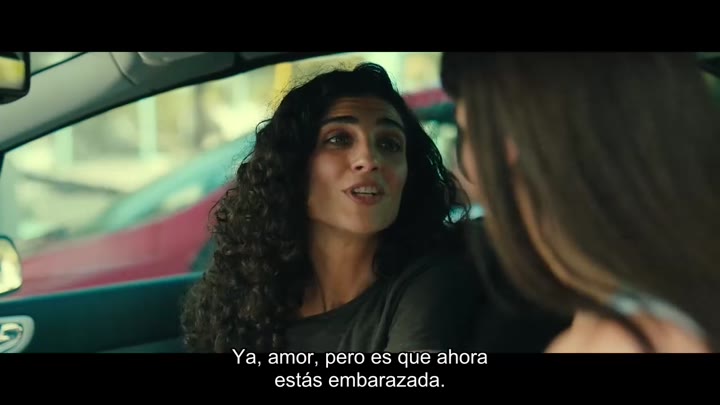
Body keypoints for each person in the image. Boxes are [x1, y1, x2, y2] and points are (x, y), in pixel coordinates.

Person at [181, 62, 479, 353]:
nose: (369, 159)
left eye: (389, 144)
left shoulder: (428, 282)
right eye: (339, 139)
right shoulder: (245, 300)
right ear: (293, 167)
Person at [440, 52, 720, 353]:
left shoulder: (619, 341)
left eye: (466, 131)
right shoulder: (666, 299)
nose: (465, 162)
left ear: (510, 143)